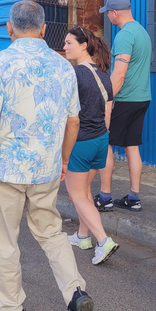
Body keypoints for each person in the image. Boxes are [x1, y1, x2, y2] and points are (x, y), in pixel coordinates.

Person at [0, 1, 93, 311]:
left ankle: (11, 310)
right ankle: (75, 292)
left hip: (7, 170)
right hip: (46, 167)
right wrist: (64, 160)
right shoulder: (64, 66)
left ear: (10, 28)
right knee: (51, 232)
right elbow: (73, 123)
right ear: (42, 29)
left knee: (5, 239)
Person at [62, 26, 120, 265]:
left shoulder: (76, 74)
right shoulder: (103, 74)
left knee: (77, 195)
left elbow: (69, 116)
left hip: (81, 142)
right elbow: (107, 110)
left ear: (83, 45)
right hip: (100, 140)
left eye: (69, 43)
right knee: (85, 192)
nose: (65, 47)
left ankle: (103, 240)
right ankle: (82, 236)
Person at [95, 0, 152, 212]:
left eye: (107, 12)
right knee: (132, 146)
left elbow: (119, 74)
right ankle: (134, 198)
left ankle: (105, 197)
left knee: (106, 144)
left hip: (125, 99)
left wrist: (106, 99)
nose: (107, 16)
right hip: (142, 98)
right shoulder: (142, 32)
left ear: (114, 12)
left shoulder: (125, 36)